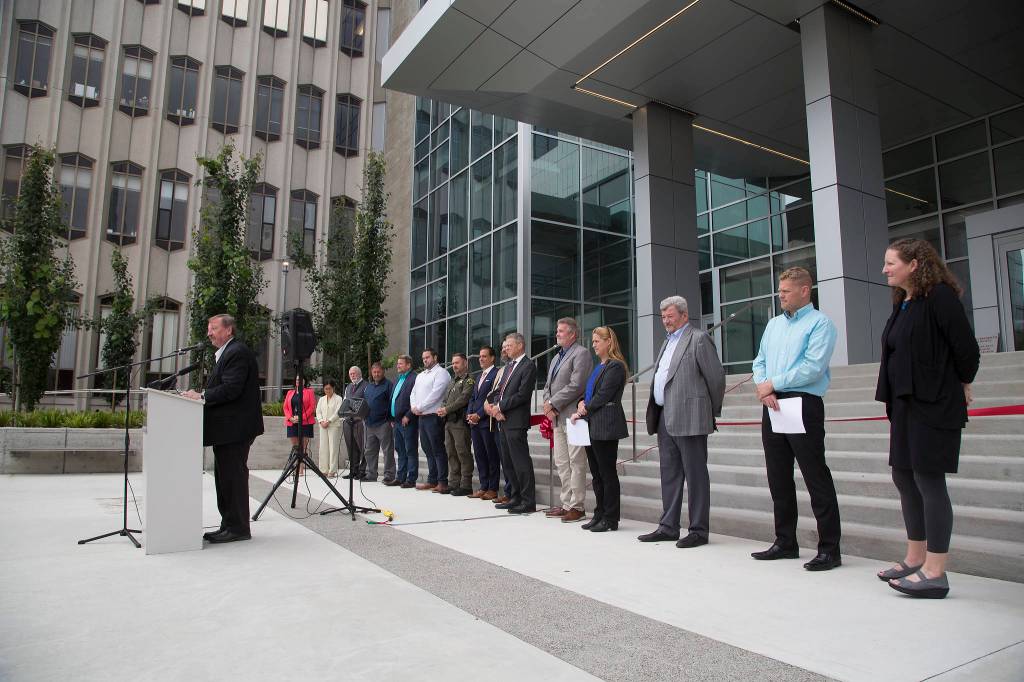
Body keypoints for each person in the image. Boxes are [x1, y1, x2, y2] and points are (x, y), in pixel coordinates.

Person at [876, 238, 980, 599]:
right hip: (905, 404)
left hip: (934, 402)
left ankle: (936, 571)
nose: (885, 269)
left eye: (891, 263)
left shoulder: (939, 296)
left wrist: (961, 382)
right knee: (904, 476)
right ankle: (915, 557)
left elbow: (966, 348)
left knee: (928, 480)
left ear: (915, 265)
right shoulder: (904, 302)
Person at [750, 267, 843, 571]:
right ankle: (785, 541)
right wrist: (765, 389)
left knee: (815, 475)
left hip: (802, 403)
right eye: (780, 290)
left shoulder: (820, 324)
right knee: (778, 476)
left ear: (805, 291)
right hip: (773, 404)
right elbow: (759, 360)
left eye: (786, 291)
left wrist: (772, 383)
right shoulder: (774, 325)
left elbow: (813, 367)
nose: (781, 296)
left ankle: (830, 548)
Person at [638, 296, 725, 548]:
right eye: (663, 317)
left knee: (696, 475)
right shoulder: (666, 343)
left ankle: (698, 529)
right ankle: (668, 526)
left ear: (684, 316)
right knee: (670, 473)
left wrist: (708, 411)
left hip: (691, 417)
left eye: (670, 316)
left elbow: (716, 378)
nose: (666, 321)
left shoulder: (698, 339)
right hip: (666, 416)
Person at [184, 314, 263, 544]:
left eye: (214, 328)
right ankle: (228, 524)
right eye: (209, 328)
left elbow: (232, 389)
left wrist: (202, 396)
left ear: (228, 330)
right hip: (227, 430)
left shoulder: (237, 352)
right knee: (224, 477)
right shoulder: (227, 353)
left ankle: (238, 527)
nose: (209, 332)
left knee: (232, 477)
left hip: (235, 429)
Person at [571, 326, 628, 533]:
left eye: (597, 341)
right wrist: (580, 403)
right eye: (593, 341)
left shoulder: (615, 367)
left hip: (606, 424)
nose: (593, 345)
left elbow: (603, 395)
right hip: (592, 424)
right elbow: (589, 393)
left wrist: (583, 409)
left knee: (607, 473)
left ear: (608, 342)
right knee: (596, 474)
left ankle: (610, 518)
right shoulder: (599, 367)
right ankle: (599, 513)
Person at [542, 317, 593, 523]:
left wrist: (553, 402)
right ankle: (566, 503)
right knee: (562, 462)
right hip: (556, 418)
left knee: (576, 462)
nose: (557, 334)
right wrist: (548, 403)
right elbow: (547, 386)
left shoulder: (582, 354)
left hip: (574, 417)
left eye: (561, 331)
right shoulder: (556, 358)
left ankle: (577, 506)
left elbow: (577, 384)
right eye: (557, 331)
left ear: (573, 334)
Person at [485, 333, 538, 514]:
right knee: (508, 463)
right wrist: (493, 406)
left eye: (509, 345)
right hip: (503, 420)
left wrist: (499, 406)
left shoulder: (528, 366)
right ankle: (515, 497)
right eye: (505, 346)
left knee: (521, 462)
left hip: (516, 420)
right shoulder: (509, 366)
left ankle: (528, 501)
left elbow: (522, 395)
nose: (505, 348)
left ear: (520, 345)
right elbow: (500, 390)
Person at [411, 348, 451, 492]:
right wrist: (414, 407)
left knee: (438, 449)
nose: (425, 360)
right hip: (422, 417)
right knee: (428, 449)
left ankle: (442, 481)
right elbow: (413, 393)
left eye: (427, 357)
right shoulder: (420, 375)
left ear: (435, 357)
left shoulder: (442, 373)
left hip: (434, 416)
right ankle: (432, 480)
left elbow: (436, 394)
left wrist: (420, 407)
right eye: (423, 358)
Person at [467, 345, 501, 500]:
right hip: (474, 423)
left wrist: (479, 415)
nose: (481, 359)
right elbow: (473, 398)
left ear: (492, 358)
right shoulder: (479, 375)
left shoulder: (496, 374)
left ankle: (493, 488)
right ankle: (483, 486)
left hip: (487, 421)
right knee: (480, 455)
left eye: (484, 356)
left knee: (491, 455)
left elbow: (493, 397)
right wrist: (469, 414)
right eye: (480, 356)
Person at [439, 352, 475, 496]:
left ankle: (466, 484)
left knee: (462, 452)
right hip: (448, 421)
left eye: (457, 363)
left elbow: (463, 399)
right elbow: (445, 399)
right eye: (453, 363)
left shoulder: (469, 380)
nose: (454, 365)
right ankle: (454, 483)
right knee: (451, 452)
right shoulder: (452, 381)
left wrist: (446, 409)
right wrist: (443, 408)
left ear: (465, 363)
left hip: (460, 422)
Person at [362, 362, 396, 483]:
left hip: (384, 423)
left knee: (387, 450)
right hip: (369, 423)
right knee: (369, 450)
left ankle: (389, 475)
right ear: (371, 373)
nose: (376, 374)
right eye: (374, 372)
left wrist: (392, 419)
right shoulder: (369, 387)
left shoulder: (388, 385)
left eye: (378, 372)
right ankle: (371, 474)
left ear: (383, 372)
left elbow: (393, 403)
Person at [390, 355, 419, 488]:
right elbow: (393, 399)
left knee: (410, 450)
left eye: (401, 364)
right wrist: (391, 417)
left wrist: (408, 415)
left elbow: (416, 399)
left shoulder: (414, 378)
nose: (398, 366)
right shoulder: (398, 379)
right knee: (400, 450)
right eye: (398, 364)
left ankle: (411, 478)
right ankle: (400, 477)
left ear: (408, 365)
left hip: (408, 421)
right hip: (396, 421)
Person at [284, 374, 316, 468]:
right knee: (295, 446)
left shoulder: (309, 392)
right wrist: (290, 418)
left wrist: (301, 417)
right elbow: (285, 407)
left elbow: (312, 407)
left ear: (304, 381)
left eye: (301, 379)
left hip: (305, 422)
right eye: (297, 379)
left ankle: (300, 467)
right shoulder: (290, 392)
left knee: (303, 446)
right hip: (292, 421)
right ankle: (295, 465)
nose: (299, 381)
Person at [341, 366, 368, 480]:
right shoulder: (349, 387)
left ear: (360, 374)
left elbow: (367, 403)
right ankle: (353, 471)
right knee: (351, 447)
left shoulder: (366, 386)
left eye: (354, 373)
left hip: (360, 421)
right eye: (351, 374)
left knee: (362, 446)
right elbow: (345, 401)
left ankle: (363, 471)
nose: (352, 376)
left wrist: (361, 416)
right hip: (348, 421)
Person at [315, 379, 342, 476]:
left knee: (333, 448)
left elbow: (338, 412)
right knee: (323, 448)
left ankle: (332, 470)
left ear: (333, 388)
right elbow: (318, 411)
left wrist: (329, 421)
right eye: (325, 389)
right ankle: (323, 470)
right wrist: (321, 421)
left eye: (329, 388)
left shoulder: (338, 398)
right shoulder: (321, 399)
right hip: (323, 426)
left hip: (333, 425)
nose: (327, 391)